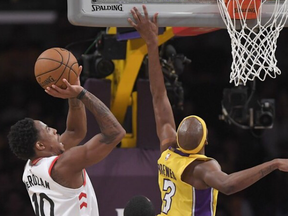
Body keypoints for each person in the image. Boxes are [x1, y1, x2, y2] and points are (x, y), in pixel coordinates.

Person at [128, 5, 288, 216]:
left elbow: (158, 96)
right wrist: (274, 163)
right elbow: (228, 185)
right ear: (205, 142)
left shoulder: (168, 149)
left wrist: (151, 44)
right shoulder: (203, 168)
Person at [7, 65, 126, 216]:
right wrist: (82, 94)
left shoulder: (30, 168)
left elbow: (75, 132)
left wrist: (73, 94)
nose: (55, 130)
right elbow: (115, 133)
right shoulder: (64, 165)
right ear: (40, 145)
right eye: (48, 130)